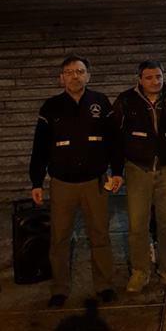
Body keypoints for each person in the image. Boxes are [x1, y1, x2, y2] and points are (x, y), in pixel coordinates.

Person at [29, 54, 123, 308]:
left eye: (80, 71)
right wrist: (36, 181)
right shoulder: (50, 107)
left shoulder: (100, 102)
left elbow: (114, 141)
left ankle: (104, 286)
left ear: (88, 76)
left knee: (100, 236)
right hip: (62, 184)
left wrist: (118, 171)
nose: (75, 76)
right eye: (69, 72)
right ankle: (59, 289)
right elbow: (39, 148)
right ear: (62, 78)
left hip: (95, 182)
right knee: (59, 238)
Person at [112, 60, 166, 293]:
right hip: (138, 168)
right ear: (139, 79)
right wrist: (116, 172)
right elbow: (115, 139)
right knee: (137, 223)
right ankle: (140, 272)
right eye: (149, 77)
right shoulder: (125, 101)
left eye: (158, 77)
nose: (155, 81)